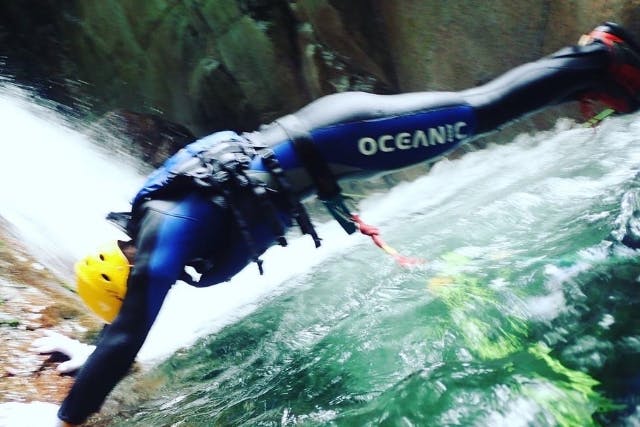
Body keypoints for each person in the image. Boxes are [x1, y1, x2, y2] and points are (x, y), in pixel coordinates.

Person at [38, 22, 640, 425]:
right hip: (332, 140)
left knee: (476, 112)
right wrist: (88, 360)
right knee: (474, 111)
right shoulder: (157, 233)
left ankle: (598, 56)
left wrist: (65, 418)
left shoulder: (164, 237)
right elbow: (121, 338)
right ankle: (589, 78)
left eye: (127, 303)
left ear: (126, 285)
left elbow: (126, 337)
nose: (142, 307)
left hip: (347, 137)